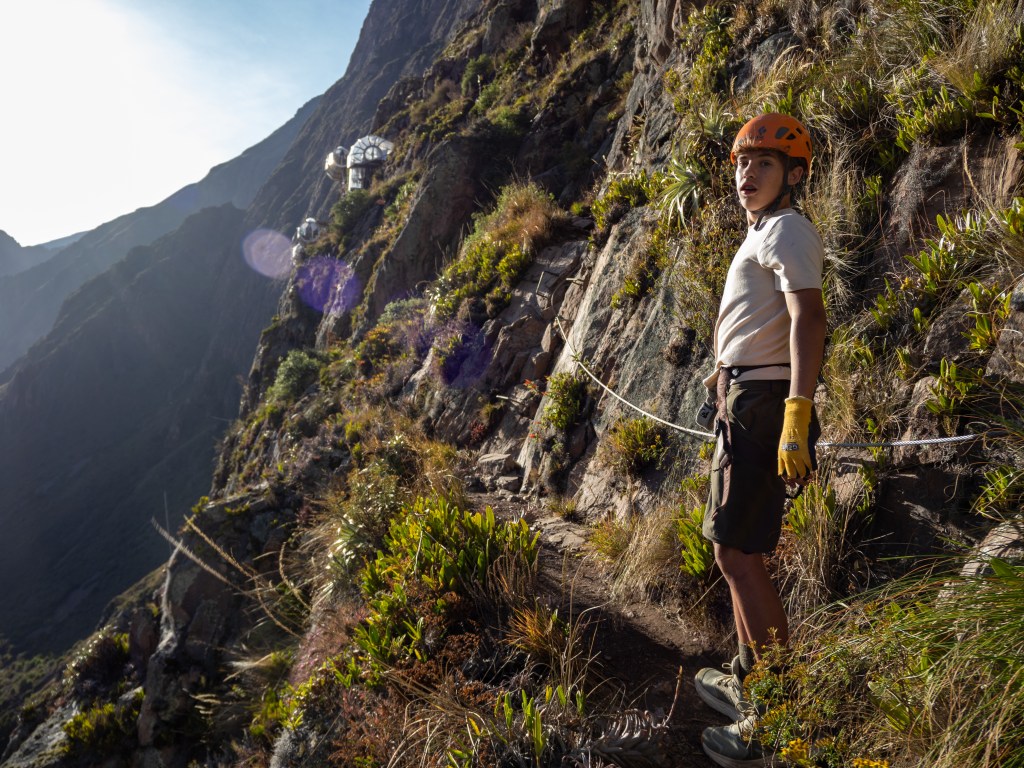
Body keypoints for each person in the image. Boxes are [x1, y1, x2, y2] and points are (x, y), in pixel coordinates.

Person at [693, 113, 826, 767]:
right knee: (732, 553)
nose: (748, 173)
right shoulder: (763, 233)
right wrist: (724, 374)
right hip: (747, 400)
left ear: (794, 176)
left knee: (740, 558)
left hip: (767, 405)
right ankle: (754, 681)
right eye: (744, 162)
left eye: (765, 164)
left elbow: (809, 317)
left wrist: (796, 413)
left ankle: (778, 712)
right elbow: (764, 320)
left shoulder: (789, 229)